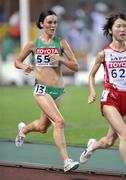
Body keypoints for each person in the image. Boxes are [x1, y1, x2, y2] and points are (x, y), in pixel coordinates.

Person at [15, 9, 79, 172]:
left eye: (55, 22)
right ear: (42, 24)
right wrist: (25, 66)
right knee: (59, 122)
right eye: (49, 22)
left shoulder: (62, 43)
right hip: (41, 89)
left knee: (43, 127)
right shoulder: (33, 44)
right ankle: (66, 161)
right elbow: (17, 61)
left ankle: (24, 129)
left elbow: (76, 66)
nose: (53, 25)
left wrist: (61, 59)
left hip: (58, 90)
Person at [80, 13, 126, 166]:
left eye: (125, 26)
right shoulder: (103, 54)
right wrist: (92, 92)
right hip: (111, 98)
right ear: (111, 30)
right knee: (124, 135)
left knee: (108, 142)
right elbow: (91, 76)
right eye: (119, 26)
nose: (122, 29)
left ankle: (92, 146)